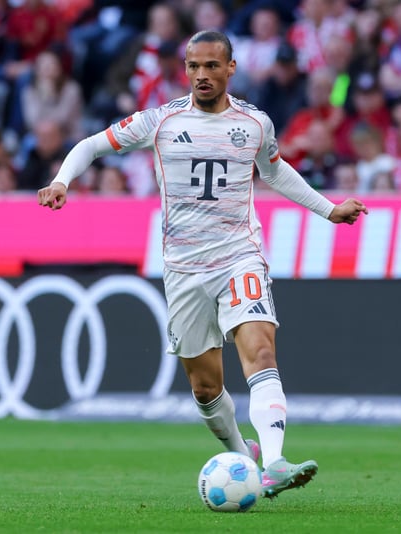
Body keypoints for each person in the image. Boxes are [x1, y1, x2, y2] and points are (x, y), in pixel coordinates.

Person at [37, 30, 367, 499]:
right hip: (183, 269)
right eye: (194, 66)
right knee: (206, 388)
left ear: (231, 68)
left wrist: (328, 209)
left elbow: (275, 171)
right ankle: (241, 453)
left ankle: (274, 462)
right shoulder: (160, 120)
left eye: (212, 65)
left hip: (239, 255)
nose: (202, 75)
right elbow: (92, 145)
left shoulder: (254, 123)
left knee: (261, 351)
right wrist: (62, 180)